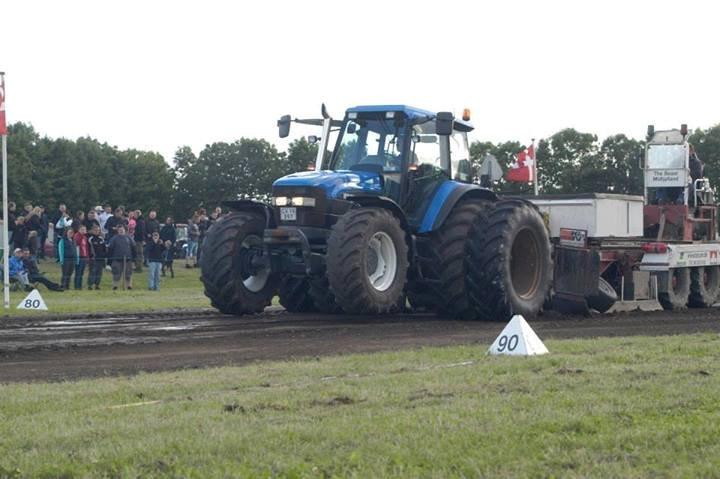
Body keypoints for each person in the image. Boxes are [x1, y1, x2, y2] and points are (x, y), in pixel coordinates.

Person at [107, 224, 136, 290]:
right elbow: (110, 249)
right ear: (117, 231)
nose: (121, 231)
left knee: (128, 274)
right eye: (119, 230)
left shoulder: (129, 238)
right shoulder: (114, 238)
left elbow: (133, 248)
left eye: (122, 230)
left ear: (125, 230)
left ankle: (129, 285)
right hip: (117, 259)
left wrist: (134, 259)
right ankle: (115, 286)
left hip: (128, 259)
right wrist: (109, 261)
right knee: (116, 274)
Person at [88, 224, 107, 290]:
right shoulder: (90, 239)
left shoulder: (101, 239)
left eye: (98, 230)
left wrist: (104, 255)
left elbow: (104, 248)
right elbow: (89, 248)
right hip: (93, 259)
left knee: (99, 272)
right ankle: (90, 285)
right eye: (95, 230)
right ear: (92, 231)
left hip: (101, 259)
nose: (97, 231)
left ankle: (97, 285)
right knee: (92, 272)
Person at [74, 225, 90, 290]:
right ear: (79, 230)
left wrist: (87, 256)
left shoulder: (85, 238)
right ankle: (77, 286)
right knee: (78, 272)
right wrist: (81, 236)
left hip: (84, 256)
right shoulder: (77, 236)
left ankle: (79, 286)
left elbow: (86, 248)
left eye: (85, 229)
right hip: (79, 256)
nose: (84, 231)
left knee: (81, 272)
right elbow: (77, 243)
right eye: (82, 229)